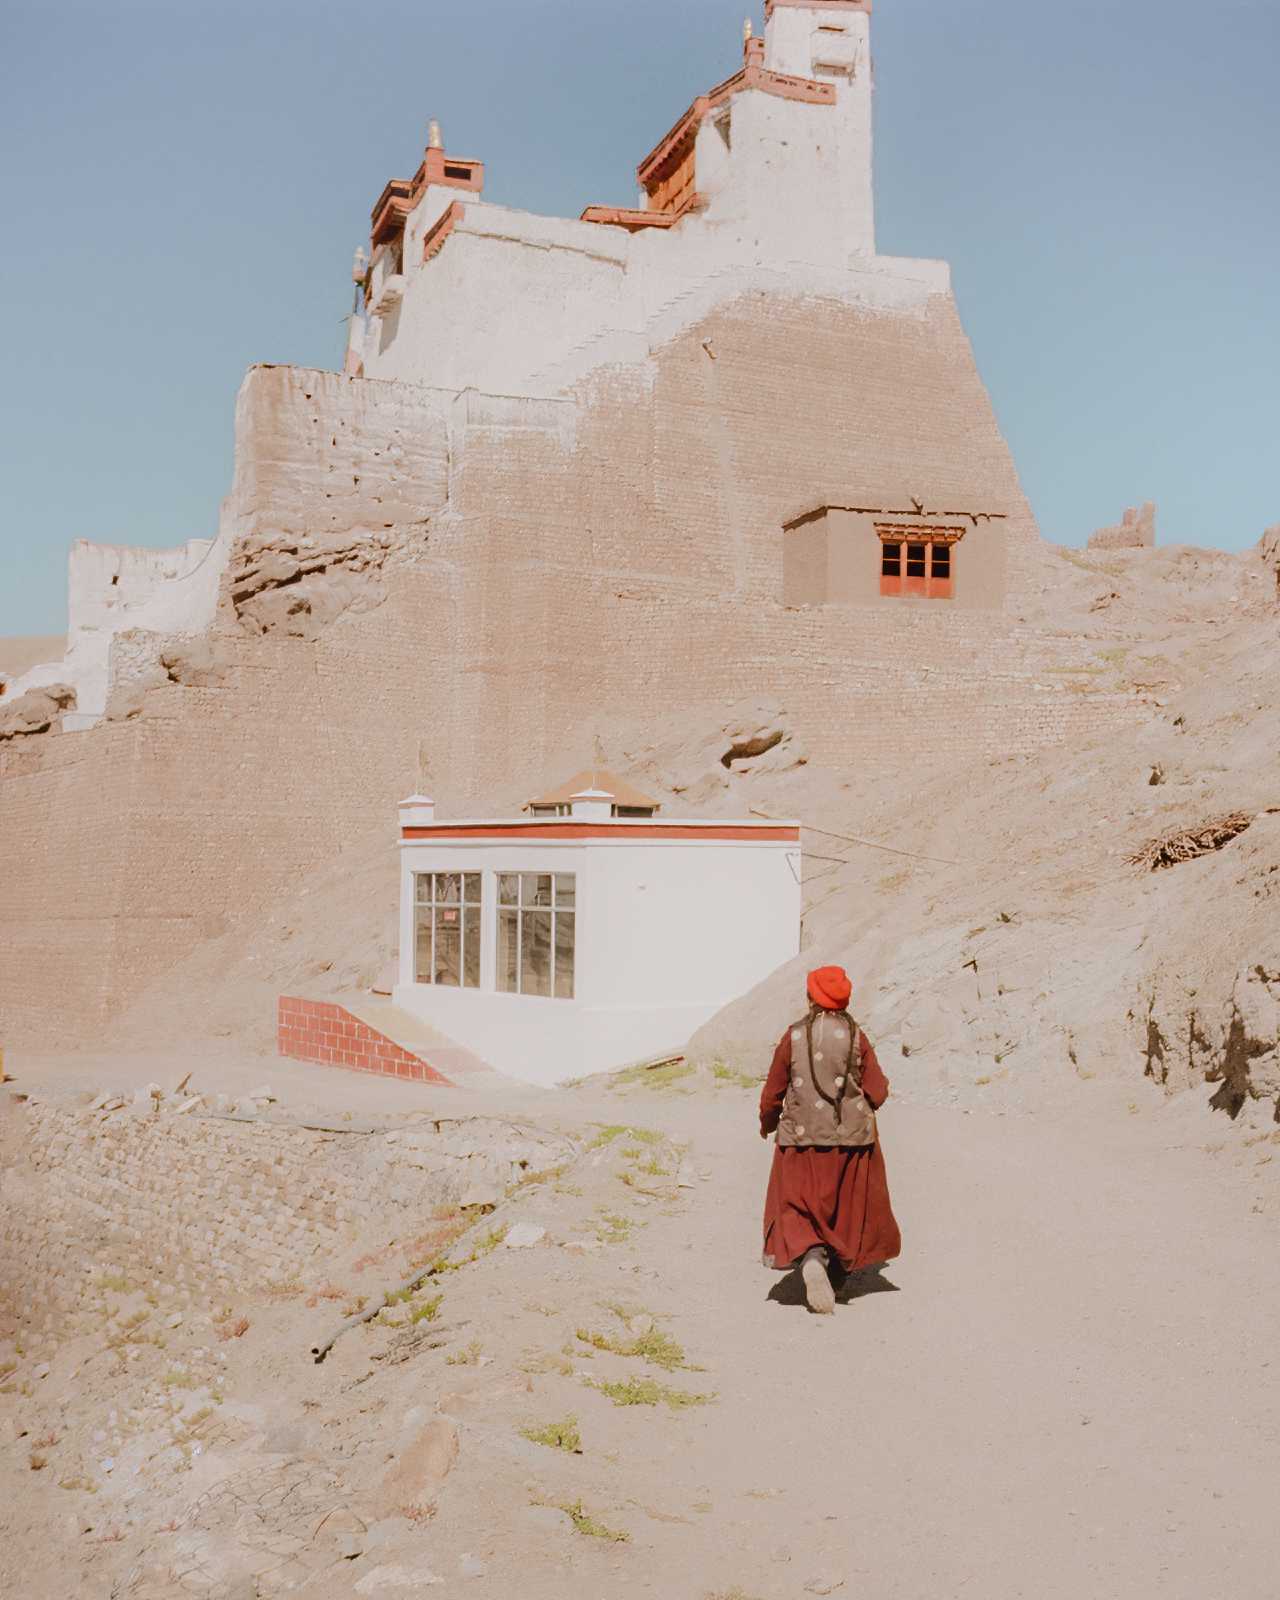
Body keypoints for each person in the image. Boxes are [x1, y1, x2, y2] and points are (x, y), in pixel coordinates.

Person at [759, 964, 901, 1314]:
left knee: (798, 1204)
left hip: (800, 1140)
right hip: (850, 1143)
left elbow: (774, 1089)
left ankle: (810, 1256)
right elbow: (878, 1090)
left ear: (811, 998)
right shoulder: (856, 1036)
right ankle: (833, 1268)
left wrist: (768, 1121)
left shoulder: (793, 1036)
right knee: (845, 1209)